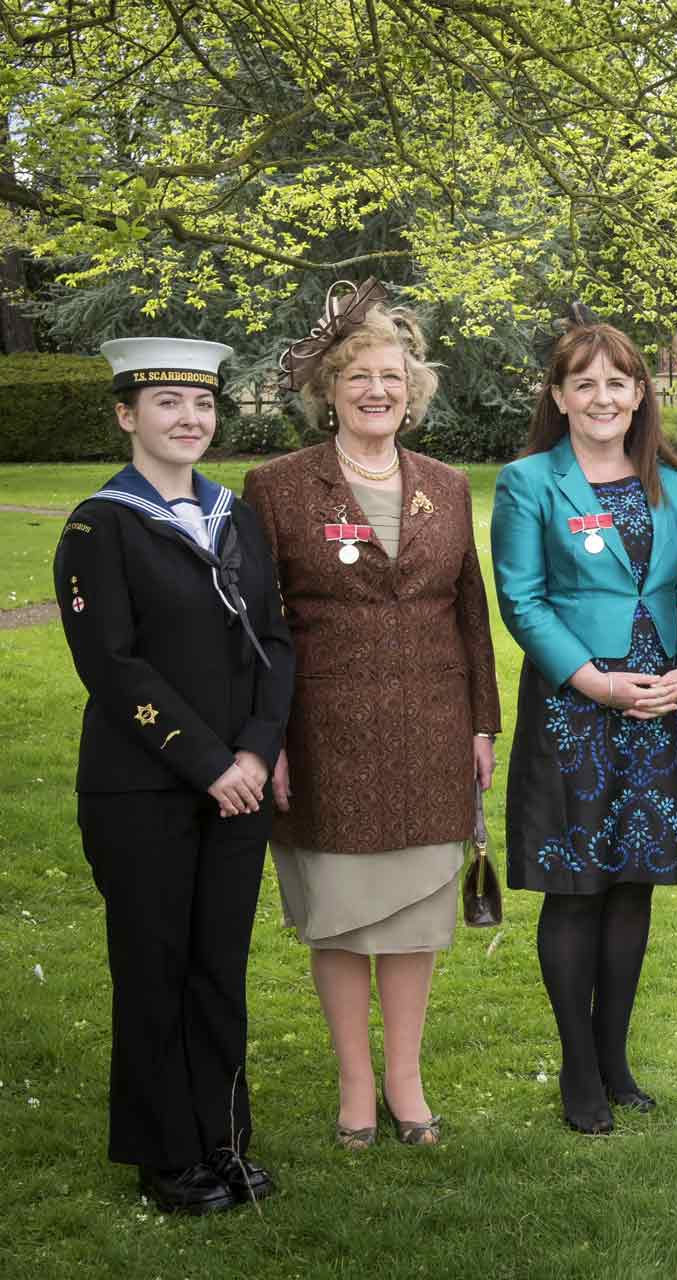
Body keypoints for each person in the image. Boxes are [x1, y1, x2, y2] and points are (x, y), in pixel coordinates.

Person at [244, 280, 500, 1150]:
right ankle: (355, 1084)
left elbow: (472, 611)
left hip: (433, 722)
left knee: (415, 917)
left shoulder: (448, 485)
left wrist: (481, 725)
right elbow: (256, 623)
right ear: (327, 390)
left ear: (413, 387)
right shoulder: (277, 488)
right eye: (357, 377)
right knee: (347, 914)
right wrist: (263, 735)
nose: (376, 391)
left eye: (391, 375)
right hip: (326, 730)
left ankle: (407, 1081)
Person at [55, 338, 293, 1213]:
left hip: (239, 780)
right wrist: (206, 763)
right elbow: (113, 666)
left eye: (202, 406)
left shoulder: (234, 514)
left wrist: (257, 751)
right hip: (144, 789)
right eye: (166, 405)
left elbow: (273, 637)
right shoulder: (101, 524)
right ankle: (165, 1155)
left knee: (217, 966)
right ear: (127, 416)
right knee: (154, 968)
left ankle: (224, 1140)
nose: (189, 420)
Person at [490, 318, 677, 1135]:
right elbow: (521, 599)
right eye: (583, 383)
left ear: (640, 393)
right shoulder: (529, 482)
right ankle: (577, 1072)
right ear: (558, 396)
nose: (602, 397)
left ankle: (616, 1061)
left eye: (617, 381)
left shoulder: (673, 485)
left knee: (633, 883)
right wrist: (596, 684)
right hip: (574, 709)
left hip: (660, 712)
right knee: (576, 888)